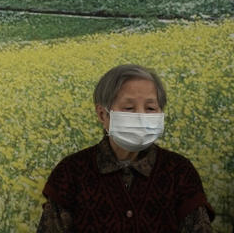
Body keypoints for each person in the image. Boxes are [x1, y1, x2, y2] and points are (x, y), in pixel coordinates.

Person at [37, 63, 214, 232]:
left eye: (151, 108)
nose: (140, 116)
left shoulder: (179, 172)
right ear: (102, 114)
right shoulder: (71, 172)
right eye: (129, 108)